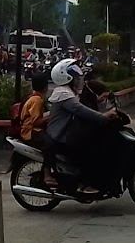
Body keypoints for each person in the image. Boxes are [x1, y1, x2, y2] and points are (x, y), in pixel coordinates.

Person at [46, 58, 117, 194]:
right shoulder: (63, 94)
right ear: (65, 77)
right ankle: (83, 184)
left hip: (68, 132)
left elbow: (85, 106)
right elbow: (81, 110)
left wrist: (100, 103)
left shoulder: (69, 91)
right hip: (59, 136)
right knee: (90, 150)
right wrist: (103, 116)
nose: (79, 79)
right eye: (75, 76)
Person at [20, 72, 57, 187]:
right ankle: (47, 174)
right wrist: (48, 117)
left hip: (31, 130)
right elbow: (36, 121)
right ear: (46, 87)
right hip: (31, 132)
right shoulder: (37, 100)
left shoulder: (33, 97)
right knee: (51, 145)